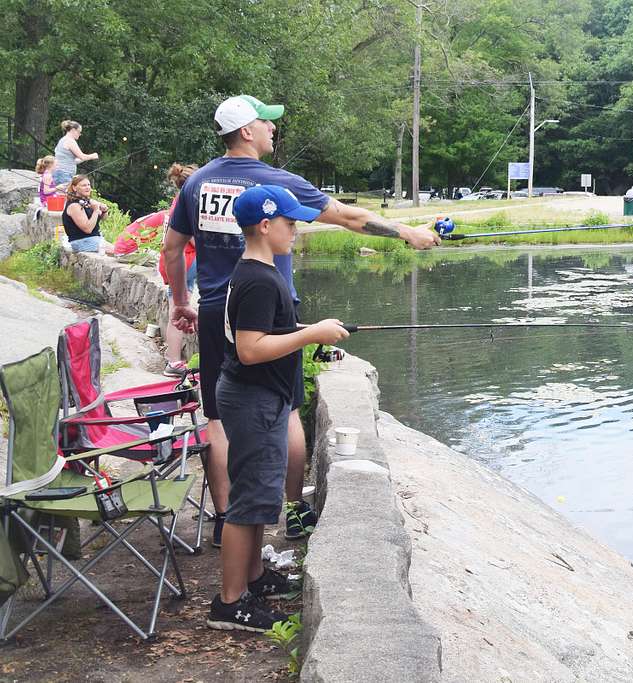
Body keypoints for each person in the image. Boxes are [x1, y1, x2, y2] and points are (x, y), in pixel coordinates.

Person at [162, 95, 441, 547]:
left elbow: (173, 249)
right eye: (267, 123)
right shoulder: (279, 183)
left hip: (217, 312)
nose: (274, 129)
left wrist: (180, 301)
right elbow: (349, 217)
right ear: (247, 131)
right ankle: (292, 512)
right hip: (272, 312)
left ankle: (226, 519)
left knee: (216, 418)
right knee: (286, 410)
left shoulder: (197, 184)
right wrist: (408, 232)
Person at [206, 184, 349, 631]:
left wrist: (311, 329)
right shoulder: (259, 279)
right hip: (253, 400)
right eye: (290, 223)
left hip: (257, 398)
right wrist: (310, 335)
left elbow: (265, 329)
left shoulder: (256, 272)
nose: (297, 231)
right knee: (248, 502)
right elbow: (250, 348)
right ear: (265, 226)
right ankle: (230, 604)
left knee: (259, 496)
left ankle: (254, 577)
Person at [157, 163, 200, 378]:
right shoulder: (189, 204)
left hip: (171, 261)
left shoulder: (177, 202)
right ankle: (173, 361)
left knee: (175, 307)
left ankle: (172, 359)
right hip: (185, 261)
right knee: (179, 311)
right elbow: (192, 238)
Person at [62, 175, 109, 253]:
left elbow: (104, 219)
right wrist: (96, 210)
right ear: (74, 188)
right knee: (119, 251)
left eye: (88, 185)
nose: (87, 187)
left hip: (94, 239)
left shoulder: (87, 201)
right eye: (84, 185)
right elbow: (87, 229)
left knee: (122, 250)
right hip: (82, 242)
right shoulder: (74, 206)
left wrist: (104, 210)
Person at [53, 120, 98, 186]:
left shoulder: (63, 140)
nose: (80, 134)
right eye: (79, 132)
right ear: (73, 130)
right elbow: (82, 156)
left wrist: (85, 158)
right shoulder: (70, 141)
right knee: (64, 195)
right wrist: (93, 156)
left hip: (60, 173)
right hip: (64, 175)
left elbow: (73, 161)